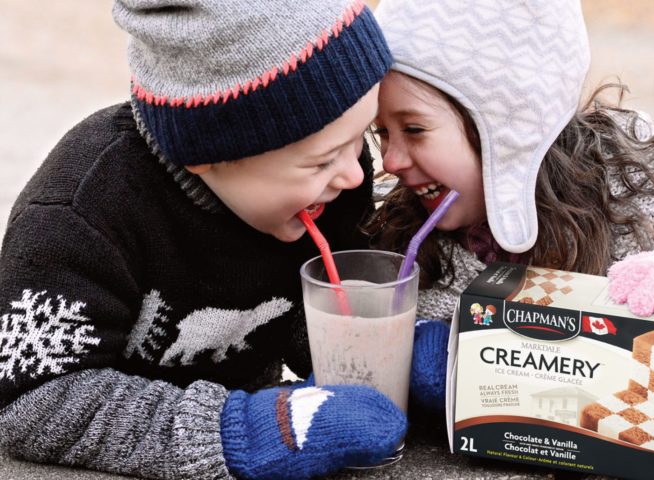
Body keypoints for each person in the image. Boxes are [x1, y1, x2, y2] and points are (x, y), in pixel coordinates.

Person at [0, 1, 406, 479]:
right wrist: (242, 432)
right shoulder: (81, 216)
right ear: (209, 153)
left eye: (361, 138)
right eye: (322, 160)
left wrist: (393, 350)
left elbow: (299, 315)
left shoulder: (330, 192)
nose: (355, 175)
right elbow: (28, 399)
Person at [369, 0, 654, 411]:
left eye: (415, 129)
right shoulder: (405, 236)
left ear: (506, 126)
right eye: (382, 131)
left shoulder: (643, 192)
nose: (391, 160)